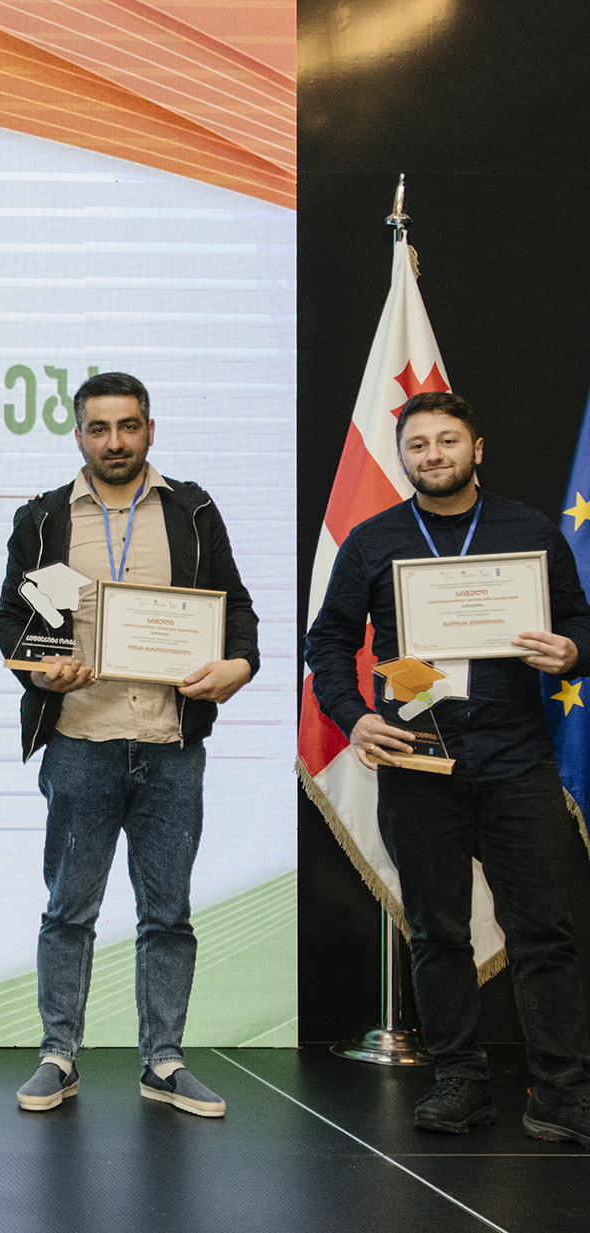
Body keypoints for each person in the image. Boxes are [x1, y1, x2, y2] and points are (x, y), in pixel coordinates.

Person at [306, 390, 590, 1144]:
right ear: (402, 456)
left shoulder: (528, 531)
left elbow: (579, 620)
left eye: (448, 440)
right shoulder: (372, 540)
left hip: (516, 759)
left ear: (477, 449)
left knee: (545, 933)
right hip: (417, 762)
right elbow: (327, 641)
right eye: (418, 444)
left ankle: (562, 1092)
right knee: (437, 932)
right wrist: (353, 715)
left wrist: (574, 651)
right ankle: (460, 1080)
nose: (433, 454)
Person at [0, 371, 257, 1118]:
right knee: (68, 909)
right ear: (79, 434)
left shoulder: (192, 510)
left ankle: (164, 1061)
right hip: (81, 735)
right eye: (99, 428)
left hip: (170, 740)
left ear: (150, 430)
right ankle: (58, 1056)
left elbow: (236, 608)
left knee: (168, 913)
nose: (115, 441)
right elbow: (12, 617)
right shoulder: (44, 516)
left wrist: (237, 666)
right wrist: (39, 669)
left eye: (129, 426)